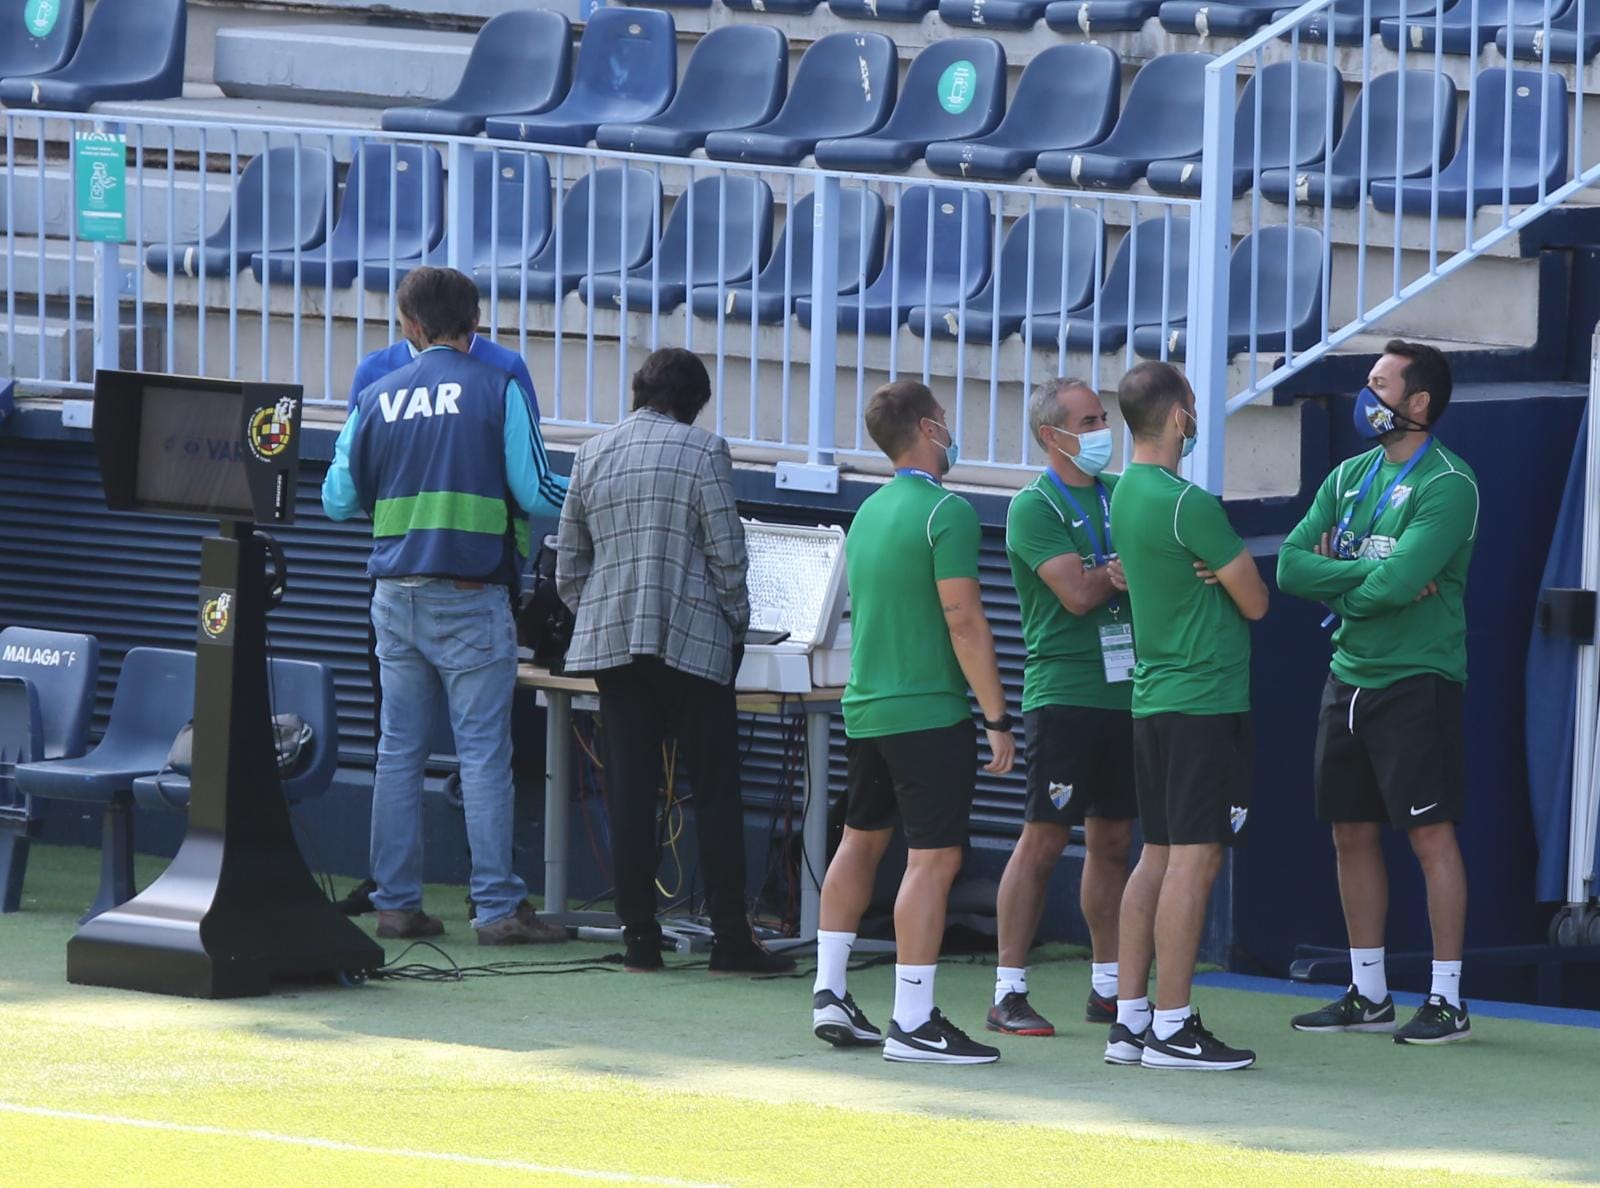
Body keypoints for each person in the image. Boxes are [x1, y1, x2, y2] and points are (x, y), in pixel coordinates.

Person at [321, 266, 567, 944]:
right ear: (475, 323)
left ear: (409, 325)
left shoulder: (376, 389)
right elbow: (539, 490)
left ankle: (396, 903)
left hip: (394, 595)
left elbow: (337, 499)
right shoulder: (499, 383)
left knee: (398, 752)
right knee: (484, 755)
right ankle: (494, 910)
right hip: (472, 595)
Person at [555, 348, 794, 976]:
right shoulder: (705, 450)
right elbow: (727, 551)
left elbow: (569, 566)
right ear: (696, 402)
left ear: (639, 391)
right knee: (715, 790)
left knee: (629, 789)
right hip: (692, 640)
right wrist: (736, 623)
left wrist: (601, 609)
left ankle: (640, 939)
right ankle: (731, 943)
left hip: (613, 644)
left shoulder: (591, 452)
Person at [810, 380, 1016, 1066]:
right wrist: (996, 716)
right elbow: (964, 621)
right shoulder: (946, 512)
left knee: (859, 842)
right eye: (948, 423)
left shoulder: (867, 512)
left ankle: (830, 992)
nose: (952, 432)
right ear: (929, 428)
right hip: (927, 712)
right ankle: (914, 1018)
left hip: (866, 708)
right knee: (934, 860)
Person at [1277, 340, 1477, 1045]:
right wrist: (1369, 587)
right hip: (1347, 677)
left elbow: (1393, 585)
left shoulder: (1449, 485)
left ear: (1417, 403)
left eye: (1380, 383)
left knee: (1430, 836)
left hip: (1416, 682)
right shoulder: (1349, 476)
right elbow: (1293, 569)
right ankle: (1368, 992)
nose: (1366, 395)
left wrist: (1354, 579)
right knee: (1350, 832)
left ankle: (1447, 1000)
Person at [1105, 360, 1268, 1071]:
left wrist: (1212, 569)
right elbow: (1257, 600)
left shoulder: (1124, 495)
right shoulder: (1187, 504)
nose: (1197, 418)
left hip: (1155, 703)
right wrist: (1222, 569)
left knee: (1158, 857)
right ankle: (1172, 1027)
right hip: (1203, 703)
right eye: (1194, 408)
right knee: (1192, 862)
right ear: (1179, 417)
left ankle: (1131, 1020)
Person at [987, 378, 1136, 1039]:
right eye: (1089, 420)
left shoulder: (1122, 494)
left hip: (1128, 693)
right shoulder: (1033, 506)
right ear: (1053, 436)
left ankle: (1108, 987)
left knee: (1113, 842)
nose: (1105, 429)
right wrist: (1114, 573)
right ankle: (1008, 990)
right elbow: (1077, 595)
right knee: (1044, 841)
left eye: (1105, 417)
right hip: (1065, 696)